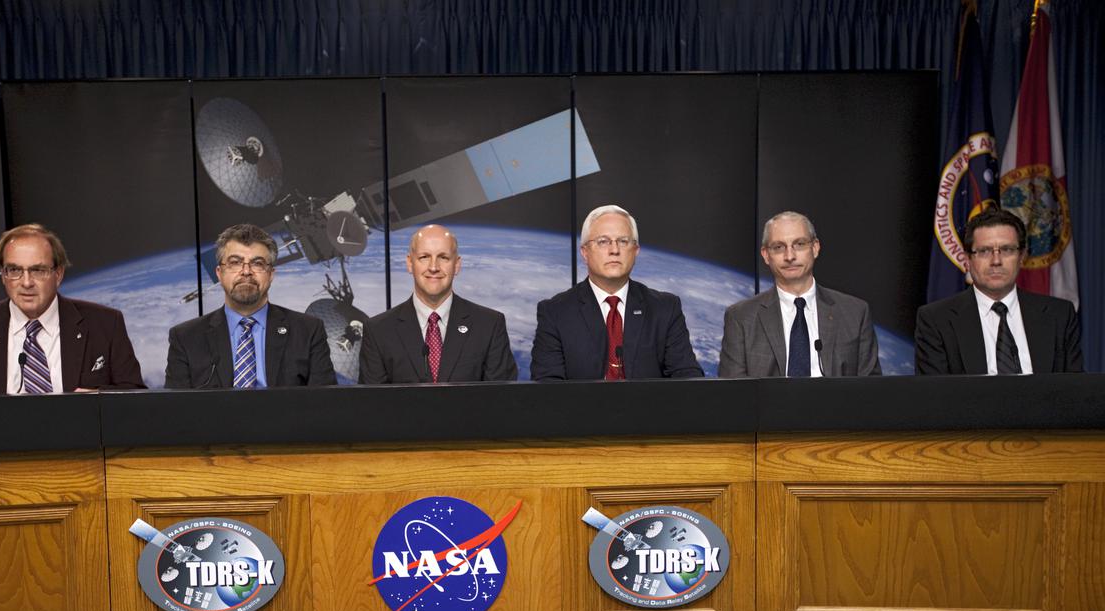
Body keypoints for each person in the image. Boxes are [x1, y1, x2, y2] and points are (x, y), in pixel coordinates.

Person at [0, 223, 145, 395]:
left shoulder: (105, 323)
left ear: (58, 274)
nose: (26, 282)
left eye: (38, 270)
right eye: (14, 270)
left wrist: (98, 400)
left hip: (78, 442)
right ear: (3, 275)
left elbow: (134, 394)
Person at [530, 205, 702, 381]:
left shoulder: (665, 309)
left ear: (635, 251)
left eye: (623, 241)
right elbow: (547, 388)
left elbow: (688, 379)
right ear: (585, 252)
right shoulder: (555, 312)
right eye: (603, 241)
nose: (614, 250)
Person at [165, 223, 336, 388]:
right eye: (235, 262)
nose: (246, 271)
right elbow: (176, 413)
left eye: (258, 263)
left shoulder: (309, 331)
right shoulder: (185, 338)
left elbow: (325, 407)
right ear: (219, 274)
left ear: (270, 275)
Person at [915, 207, 1082, 375]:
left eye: (1007, 250)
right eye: (984, 251)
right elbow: (935, 397)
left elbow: (1075, 392)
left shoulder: (1059, 315)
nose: (996, 261)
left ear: (1022, 256)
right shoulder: (936, 320)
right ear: (968, 260)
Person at [719, 211, 881, 378]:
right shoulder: (741, 317)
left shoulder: (855, 313)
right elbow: (733, 395)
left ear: (815, 248)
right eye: (778, 247)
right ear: (766, 255)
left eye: (800, 244)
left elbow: (871, 392)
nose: (790, 256)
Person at [359, 224, 517, 384]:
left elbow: (502, 401)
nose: (433, 267)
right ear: (410, 264)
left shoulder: (489, 325)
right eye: (424, 257)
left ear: (457, 265)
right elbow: (371, 405)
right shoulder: (378, 331)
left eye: (443, 257)